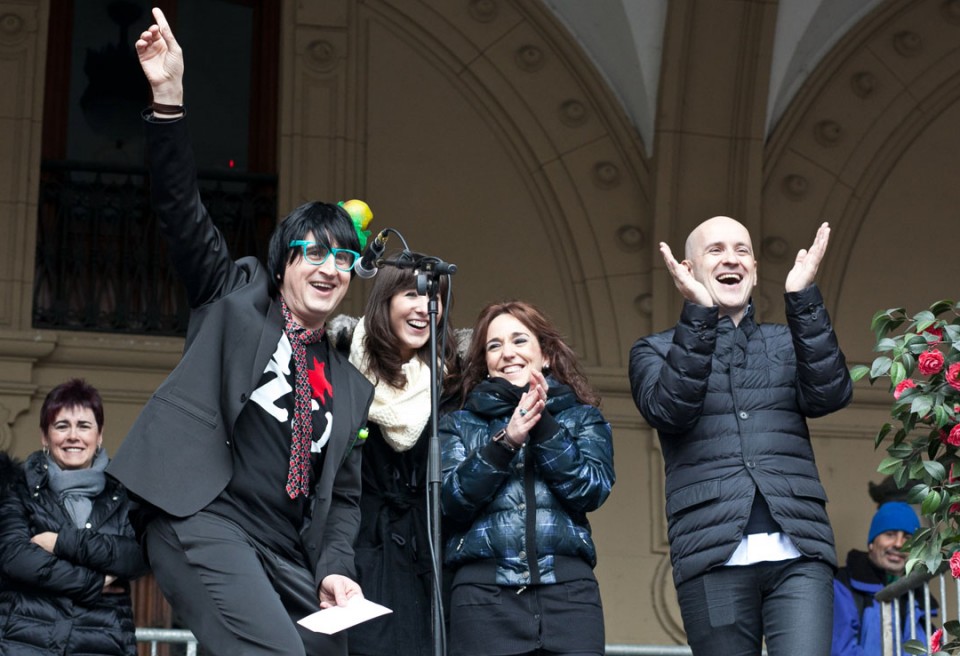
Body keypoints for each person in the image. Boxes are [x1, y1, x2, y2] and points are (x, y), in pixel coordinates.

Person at [106, 8, 375, 656]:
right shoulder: (235, 300)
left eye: (343, 258)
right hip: (205, 519)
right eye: (314, 252)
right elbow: (181, 211)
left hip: (284, 552)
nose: (329, 268)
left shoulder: (349, 385)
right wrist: (167, 99)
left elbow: (342, 500)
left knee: (329, 651)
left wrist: (335, 568)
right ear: (283, 263)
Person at [629, 217, 853, 655]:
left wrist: (803, 298)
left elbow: (831, 394)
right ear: (688, 269)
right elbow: (669, 411)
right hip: (711, 556)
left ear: (753, 269)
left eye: (742, 250)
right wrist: (699, 316)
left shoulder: (786, 342)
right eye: (715, 250)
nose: (731, 258)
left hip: (799, 552)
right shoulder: (654, 350)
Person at [440, 300, 615, 656]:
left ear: (545, 354)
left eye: (519, 340)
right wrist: (506, 443)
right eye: (494, 345)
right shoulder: (457, 423)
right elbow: (451, 501)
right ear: (485, 364)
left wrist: (543, 424)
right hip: (483, 600)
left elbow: (591, 489)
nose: (508, 353)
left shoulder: (582, 418)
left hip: (569, 597)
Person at [329, 254, 459, 655]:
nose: (424, 307)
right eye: (411, 294)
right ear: (385, 300)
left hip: (427, 559)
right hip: (359, 553)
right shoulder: (342, 367)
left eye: (433, 296)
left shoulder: (450, 380)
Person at [0, 379, 147, 655]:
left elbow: (137, 555)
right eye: (61, 426)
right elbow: (15, 557)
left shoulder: (124, 495)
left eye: (84, 426)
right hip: (25, 642)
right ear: (45, 436)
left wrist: (59, 542)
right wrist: (94, 581)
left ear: (99, 435)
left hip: (103, 643)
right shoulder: (18, 488)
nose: (73, 436)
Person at [832, 502, 933, 655]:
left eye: (907, 538)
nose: (899, 544)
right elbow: (841, 651)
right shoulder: (842, 584)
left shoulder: (918, 597)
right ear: (872, 543)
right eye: (890, 534)